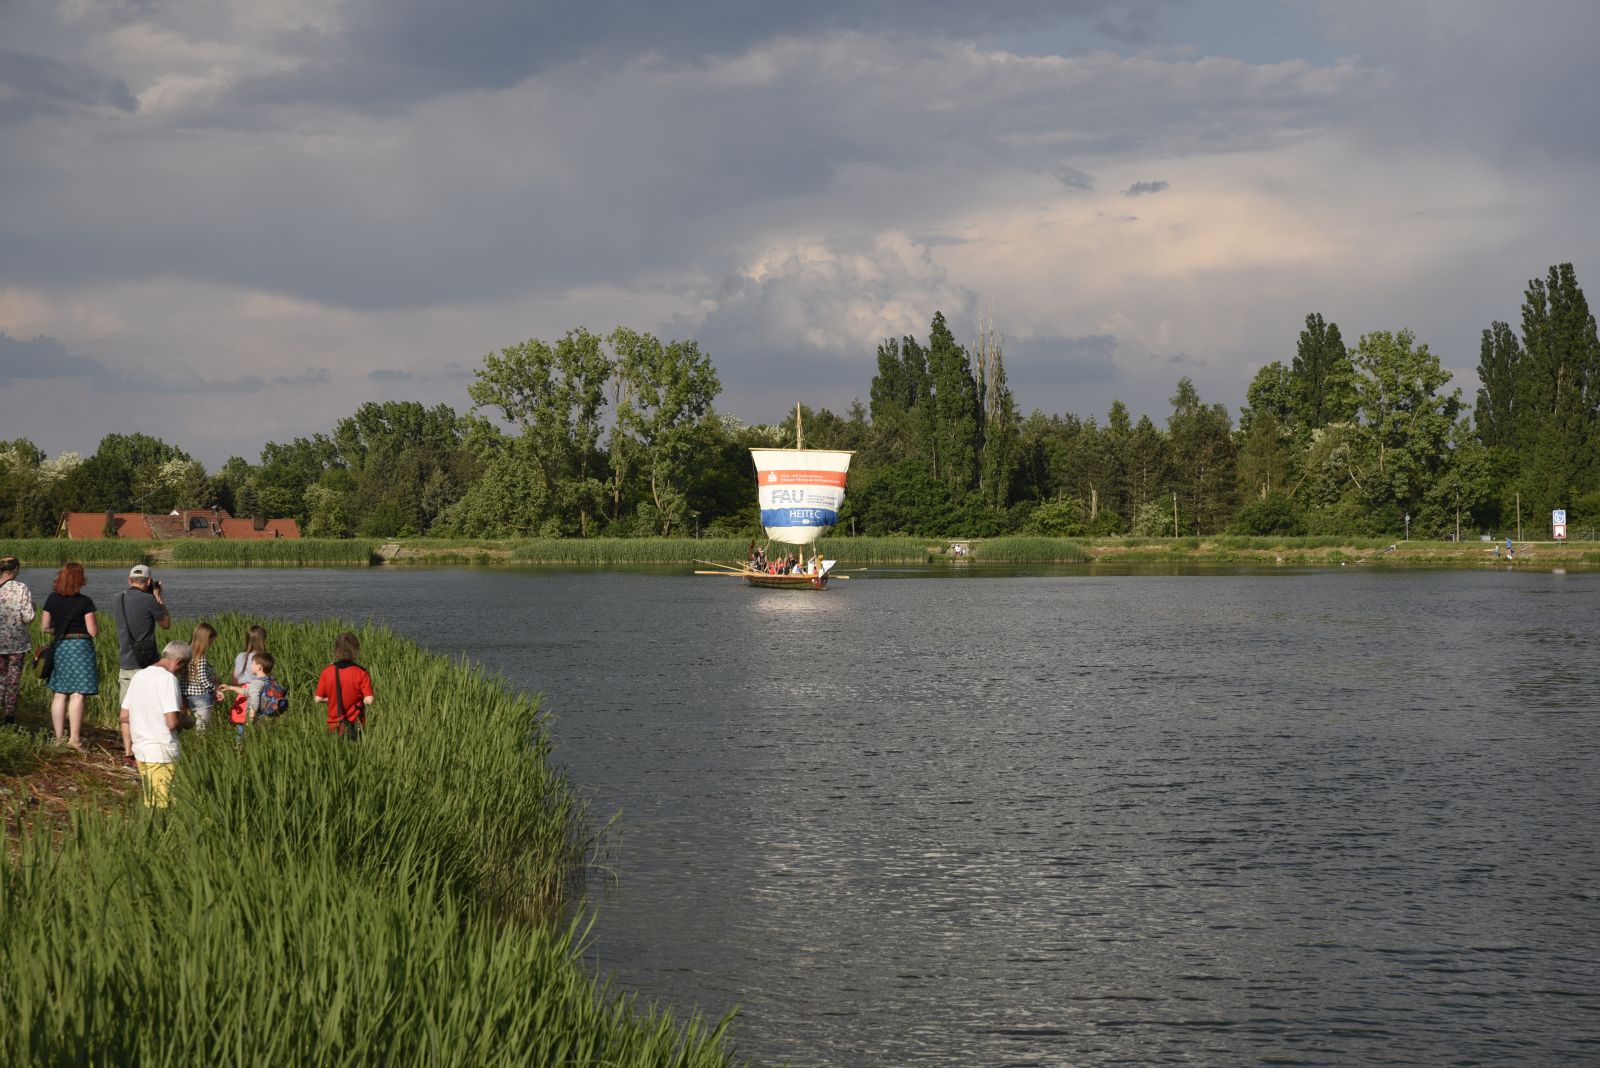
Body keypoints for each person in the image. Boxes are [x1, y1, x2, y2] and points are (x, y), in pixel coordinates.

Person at [123, 640, 191, 807]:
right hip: (162, 752)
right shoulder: (168, 679)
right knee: (162, 805)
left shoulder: (139, 675)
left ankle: (151, 830)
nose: (180, 672)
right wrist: (187, 721)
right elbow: (172, 723)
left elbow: (124, 715)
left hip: (141, 751)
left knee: (151, 801)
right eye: (183, 668)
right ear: (179, 662)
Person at [113, 565, 170, 760]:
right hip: (146, 664)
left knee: (126, 710)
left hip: (126, 661)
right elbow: (166, 624)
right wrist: (158, 597)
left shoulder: (117, 599)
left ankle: (128, 751)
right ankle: (146, 748)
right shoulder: (149, 600)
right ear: (148, 582)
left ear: (129, 580)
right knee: (147, 708)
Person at [40, 562, 98, 750]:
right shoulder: (85, 602)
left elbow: (45, 626)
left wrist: (59, 630)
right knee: (78, 693)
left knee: (59, 693)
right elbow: (93, 631)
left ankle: (58, 739)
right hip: (81, 647)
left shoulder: (51, 599)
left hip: (61, 647)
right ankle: (74, 739)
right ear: (80, 579)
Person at [315, 632, 374, 740]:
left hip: (334, 724)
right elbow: (369, 700)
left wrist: (332, 699)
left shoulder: (327, 671)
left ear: (336, 651)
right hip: (356, 725)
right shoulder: (362, 672)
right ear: (356, 650)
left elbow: (318, 699)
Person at [0, 555, 34, 727]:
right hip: (16, 643)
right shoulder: (21, 588)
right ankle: (9, 716)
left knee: (0, 677)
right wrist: (33, 608)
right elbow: (27, 618)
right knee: (12, 679)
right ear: (15, 570)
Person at [183, 622, 220, 731]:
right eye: (211, 642)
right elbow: (203, 680)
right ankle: (200, 747)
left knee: (189, 727)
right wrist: (216, 689)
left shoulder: (186, 656)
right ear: (205, 640)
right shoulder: (201, 658)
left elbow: (183, 679)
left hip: (186, 696)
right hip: (202, 697)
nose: (211, 644)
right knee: (202, 730)